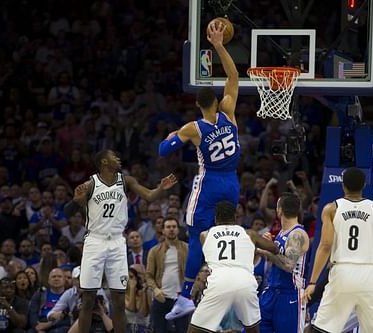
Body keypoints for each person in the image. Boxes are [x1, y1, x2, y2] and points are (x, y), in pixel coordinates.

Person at [159, 21, 241, 320]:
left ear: (196, 103)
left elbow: (164, 152)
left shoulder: (193, 128)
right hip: (233, 183)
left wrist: (170, 137)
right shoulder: (229, 111)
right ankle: (225, 280)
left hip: (209, 184)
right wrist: (219, 46)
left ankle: (185, 295)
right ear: (218, 101)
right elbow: (233, 75)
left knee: (196, 235)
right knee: (224, 232)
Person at [63, 149, 177, 333]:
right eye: (112, 156)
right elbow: (67, 211)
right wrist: (76, 201)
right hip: (95, 241)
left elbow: (148, 195)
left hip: (117, 241)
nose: (117, 158)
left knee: (118, 300)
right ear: (103, 162)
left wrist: (160, 189)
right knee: (88, 299)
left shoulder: (126, 180)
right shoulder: (91, 184)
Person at [303, 167, 373, 333]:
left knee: (320, 328)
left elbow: (325, 246)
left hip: (342, 271)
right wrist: (372, 255)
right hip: (369, 274)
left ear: (343, 185)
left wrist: (312, 282)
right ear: (363, 186)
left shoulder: (332, 209)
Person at [188, 201, 278, 333]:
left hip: (219, 281)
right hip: (245, 281)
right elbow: (274, 249)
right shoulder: (250, 234)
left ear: (215, 218)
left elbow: (211, 256)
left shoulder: (204, 235)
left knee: (194, 330)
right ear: (236, 217)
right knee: (253, 330)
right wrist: (269, 241)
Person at [258, 192, 310, 333]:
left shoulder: (297, 234)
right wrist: (270, 244)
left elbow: (288, 265)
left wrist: (267, 251)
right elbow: (279, 258)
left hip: (290, 294)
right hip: (272, 290)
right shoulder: (282, 232)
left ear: (279, 210)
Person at [145, 217, 189, 333]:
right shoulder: (154, 251)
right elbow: (148, 276)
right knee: (159, 330)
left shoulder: (187, 249)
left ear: (178, 230)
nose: (171, 229)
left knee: (183, 330)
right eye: (168, 227)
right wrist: (155, 290)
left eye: (174, 227)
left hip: (182, 299)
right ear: (163, 230)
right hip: (162, 298)